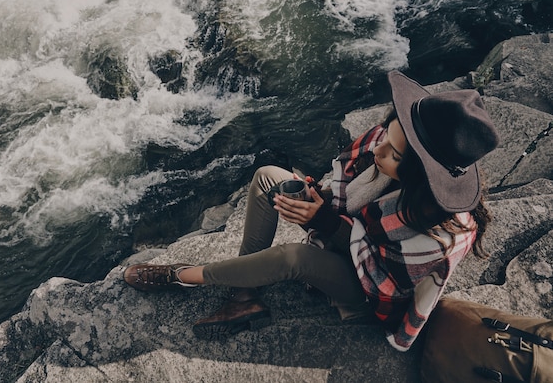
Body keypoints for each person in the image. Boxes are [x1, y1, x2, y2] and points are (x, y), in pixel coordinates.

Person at [123, 70, 500, 351]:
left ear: (423, 175)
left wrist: (322, 221)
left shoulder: (441, 234)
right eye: (388, 134)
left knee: (294, 256)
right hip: (346, 241)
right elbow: (344, 192)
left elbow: (382, 278)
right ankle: (244, 297)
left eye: (394, 154)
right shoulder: (384, 140)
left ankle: (181, 276)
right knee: (268, 176)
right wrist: (313, 198)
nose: (378, 150)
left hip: (366, 293)